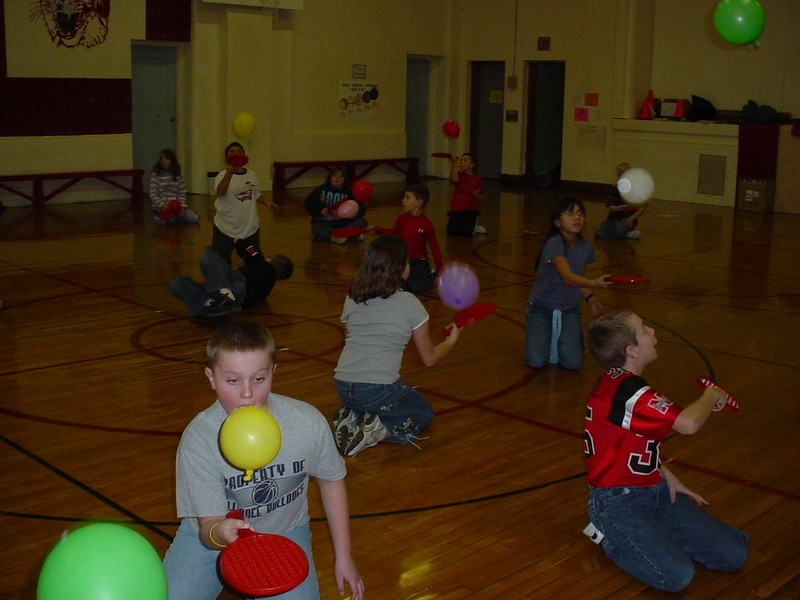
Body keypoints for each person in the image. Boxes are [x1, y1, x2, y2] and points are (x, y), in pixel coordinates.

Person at [162, 321, 365, 600]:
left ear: (273, 372)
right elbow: (209, 528)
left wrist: (344, 556)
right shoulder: (200, 438)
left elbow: (332, 482)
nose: (246, 393)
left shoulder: (306, 423)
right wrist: (220, 532)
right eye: (232, 380)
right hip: (208, 539)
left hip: (283, 532)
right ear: (211, 378)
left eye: (258, 379)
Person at [583, 310, 748, 592]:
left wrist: (664, 474)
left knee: (734, 554)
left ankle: (655, 536)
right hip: (617, 501)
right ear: (632, 351)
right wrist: (712, 394)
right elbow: (689, 423)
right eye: (644, 329)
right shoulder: (627, 391)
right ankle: (606, 536)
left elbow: (620, 443)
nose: (653, 332)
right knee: (676, 576)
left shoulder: (622, 385)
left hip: (655, 489)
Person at [331, 235, 462, 457]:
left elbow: (349, 337)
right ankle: (377, 433)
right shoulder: (410, 304)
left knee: (389, 396)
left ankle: (353, 415)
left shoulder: (353, 297)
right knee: (422, 412)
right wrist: (451, 340)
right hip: (377, 390)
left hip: (342, 386)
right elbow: (429, 359)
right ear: (400, 268)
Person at [524, 197, 611, 370]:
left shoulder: (586, 246)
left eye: (580, 213)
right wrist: (595, 283)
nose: (577, 217)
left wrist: (590, 298)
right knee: (536, 360)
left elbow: (578, 278)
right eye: (570, 214)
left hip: (569, 309)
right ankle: (542, 332)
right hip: (541, 309)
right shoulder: (554, 243)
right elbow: (567, 277)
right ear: (557, 222)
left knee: (573, 362)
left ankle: (569, 338)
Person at [170, 241, 293, 318]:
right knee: (177, 283)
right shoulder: (266, 289)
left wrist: (237, 240)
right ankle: (213, 304)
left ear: (270, 260)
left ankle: (220, 296)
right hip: (238, 301)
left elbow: (250, 250)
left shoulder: (263, 264)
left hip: (237, 285)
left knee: (208, 256)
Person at [212, 142, 279, 265]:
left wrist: (266, 202)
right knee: (221, 261)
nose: (236, 154)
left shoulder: (251, 174)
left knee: (254, 258)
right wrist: (230, 172)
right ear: (226, 157)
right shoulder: (221, 175)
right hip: (225, 227)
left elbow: (255, 194)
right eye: (232, 151)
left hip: (249, 227)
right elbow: (220, 192)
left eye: (239, 151)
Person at [369, 184, 443, 293]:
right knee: (390, 283)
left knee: (415, 286)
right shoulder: (402, 218)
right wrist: (378, 230)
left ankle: (431, 275)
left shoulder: (426, 223)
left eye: (407, 198)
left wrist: (440, 273)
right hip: (402, 260)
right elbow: (395, 234)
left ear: (419, 203)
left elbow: (435, 249)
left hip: (418, 262)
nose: (403, 201)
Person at [304, 167, 367, 244]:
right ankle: (347, 236)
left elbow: (362, 209)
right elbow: (309, 203)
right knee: (317, 228)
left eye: (340, 176)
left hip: (344, 223)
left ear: (344, 179)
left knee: (362, 222)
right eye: (334, 175)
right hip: (325, 222)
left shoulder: (349, 192)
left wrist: (353, 214)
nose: (337, 178)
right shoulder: (321, 189)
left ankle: (343, 236)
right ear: (330, 177)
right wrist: (320, 210)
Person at [594, 162, 646, 240]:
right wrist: (621, 208)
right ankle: (627, 234)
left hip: (626, 221)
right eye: (621, 173)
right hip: (612, 220)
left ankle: (623, 233)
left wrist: (631, 219)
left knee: (621, 228)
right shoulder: (614, 189)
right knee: (597, 230)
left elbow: (642, 208)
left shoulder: (635, 190)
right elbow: (610, 208)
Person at [149, 148, 201, 225]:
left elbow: (181, 193)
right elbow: (153, 193)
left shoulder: (178, 176)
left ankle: (174, 218)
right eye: (162, 159)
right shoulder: (156, 175)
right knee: (167, 220)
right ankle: (166, 218)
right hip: (161, 206)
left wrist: (181, 207)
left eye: (166, 159)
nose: (163, 161)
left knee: (195, 218)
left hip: (175, 206)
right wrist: (162, 204)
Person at [447, 153, 486, 236]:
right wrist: (454, 164)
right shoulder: (459, 175)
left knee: (466, 233)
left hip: (470, 210)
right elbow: (454, 179)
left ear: (472, 165)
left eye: (465, 160)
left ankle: (475, 228)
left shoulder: (477, 179)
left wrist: (475, 195)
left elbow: (482, 197)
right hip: (457, 209)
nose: (462, 162)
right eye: (461, 160)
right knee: (451, 232)